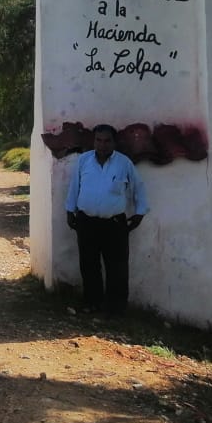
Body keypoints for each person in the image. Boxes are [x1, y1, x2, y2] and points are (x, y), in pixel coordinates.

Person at [64, 123, 149, 315]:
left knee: (117, 267)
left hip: (114, 224)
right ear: (94, 141)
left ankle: (115, 308)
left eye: (107, 141)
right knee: (89, 264)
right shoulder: (84, 161)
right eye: (98, 140)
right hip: (86, 221)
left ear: (114, 142)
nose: (102, 145)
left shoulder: (124, 163)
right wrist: (70, 211)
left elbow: (139, 187)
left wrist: (140, 213)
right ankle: (92, 302)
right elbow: (74, 186)